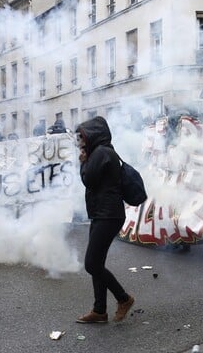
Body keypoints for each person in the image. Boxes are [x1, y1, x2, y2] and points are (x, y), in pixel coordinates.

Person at [75, 116, 134, 324]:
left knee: (92, 264)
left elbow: (88, 181)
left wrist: (82, 163)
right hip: (103, 213)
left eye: (82, 137)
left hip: (108, 215)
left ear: (92, 135)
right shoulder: (103, 152)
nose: (80, 141)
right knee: (97, 263)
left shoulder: (101, 153)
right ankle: (99, 310)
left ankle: (123, 299)